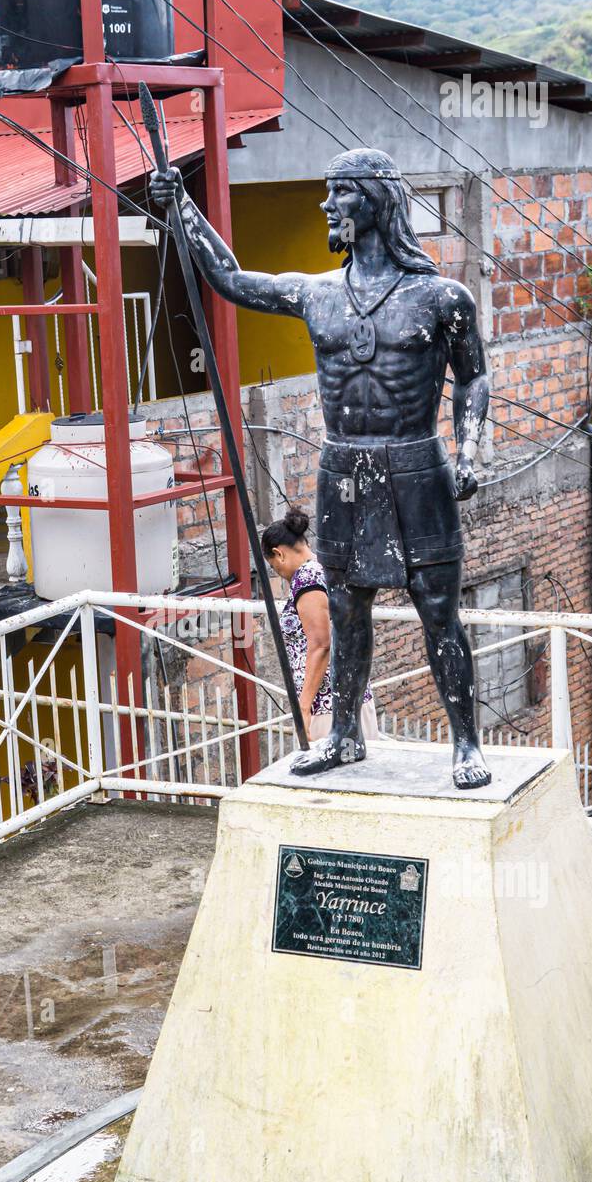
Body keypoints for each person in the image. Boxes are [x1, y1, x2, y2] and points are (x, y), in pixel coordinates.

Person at [150, 147, 491, 789]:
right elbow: (231, 279)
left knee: (439, 610)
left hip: (418, 465)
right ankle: (343, 735)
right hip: (342, 469)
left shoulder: (443, 297)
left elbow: (473, 378)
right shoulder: (316, 294)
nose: (326, 203)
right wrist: (182, 209)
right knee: (345, 606)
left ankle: (466, 744)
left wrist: (469, 451)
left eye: (339, 192)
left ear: (375, 200)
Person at [262, 508, 378, 745]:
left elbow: (321, 644)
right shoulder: (324, 567)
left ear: (279, 554)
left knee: (331, 780)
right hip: (347, 699)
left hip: (328, 709)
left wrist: (304, 709)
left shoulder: (307, 579)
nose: (280, 574)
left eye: (275, 567)